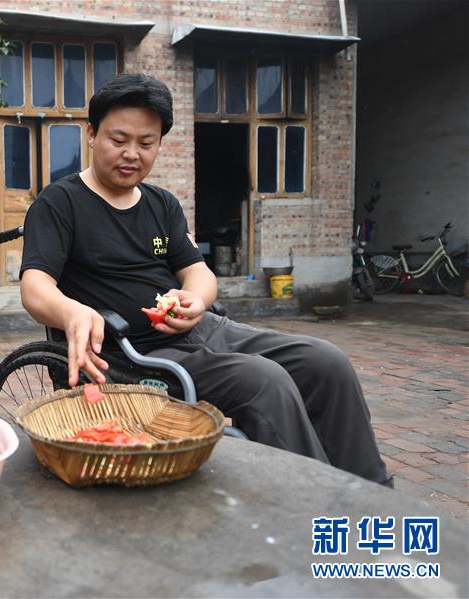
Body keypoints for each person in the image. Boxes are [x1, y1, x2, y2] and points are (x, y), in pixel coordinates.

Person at [20, 74, 391, 487]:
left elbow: (197, 271)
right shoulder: (60, 203)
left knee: (326, 362)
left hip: (203, 330)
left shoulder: (161, 203)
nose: (131, 154)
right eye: (118, 140)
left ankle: (375, 491)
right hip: (132, 354)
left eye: (146, 143)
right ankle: (313, 499)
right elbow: (35, 286)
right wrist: (71, 311)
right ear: (91, 134)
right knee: (263, 382)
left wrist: (196, 300)